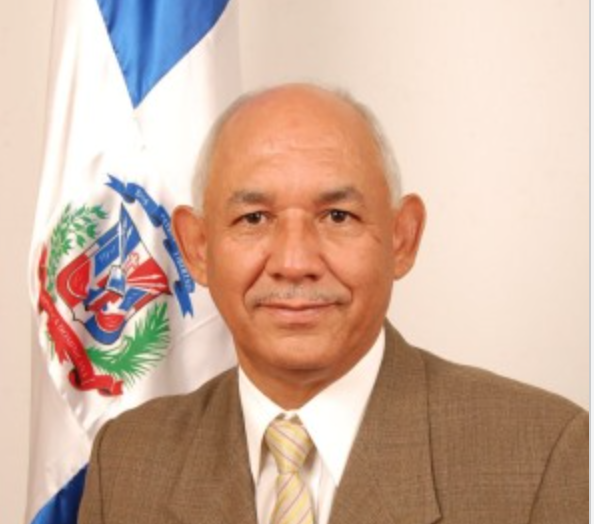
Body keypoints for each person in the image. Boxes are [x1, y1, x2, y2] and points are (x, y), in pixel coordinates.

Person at [78, 84, 588, 524]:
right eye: (254, 218)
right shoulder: (126, 463)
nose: (294, 262)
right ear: (197, 249)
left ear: (403, 238)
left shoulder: (542, 454)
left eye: (338, 216)